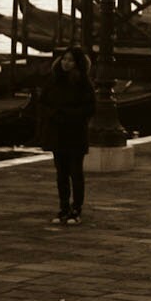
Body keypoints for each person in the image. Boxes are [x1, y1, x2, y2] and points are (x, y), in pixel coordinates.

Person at [36, 47, 96, 224]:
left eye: (70, 60)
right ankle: (63, 207)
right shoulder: (53, 80)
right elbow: (43, 103)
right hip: (56, 131)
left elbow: (89, 108)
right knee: (61, 172)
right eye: (64, 59)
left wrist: (67, 114)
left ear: (77, 63)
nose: (66, 63)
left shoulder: (84, 83)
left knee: (75, 172)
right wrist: (53, 114)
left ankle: (76, 209)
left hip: (75, 132)